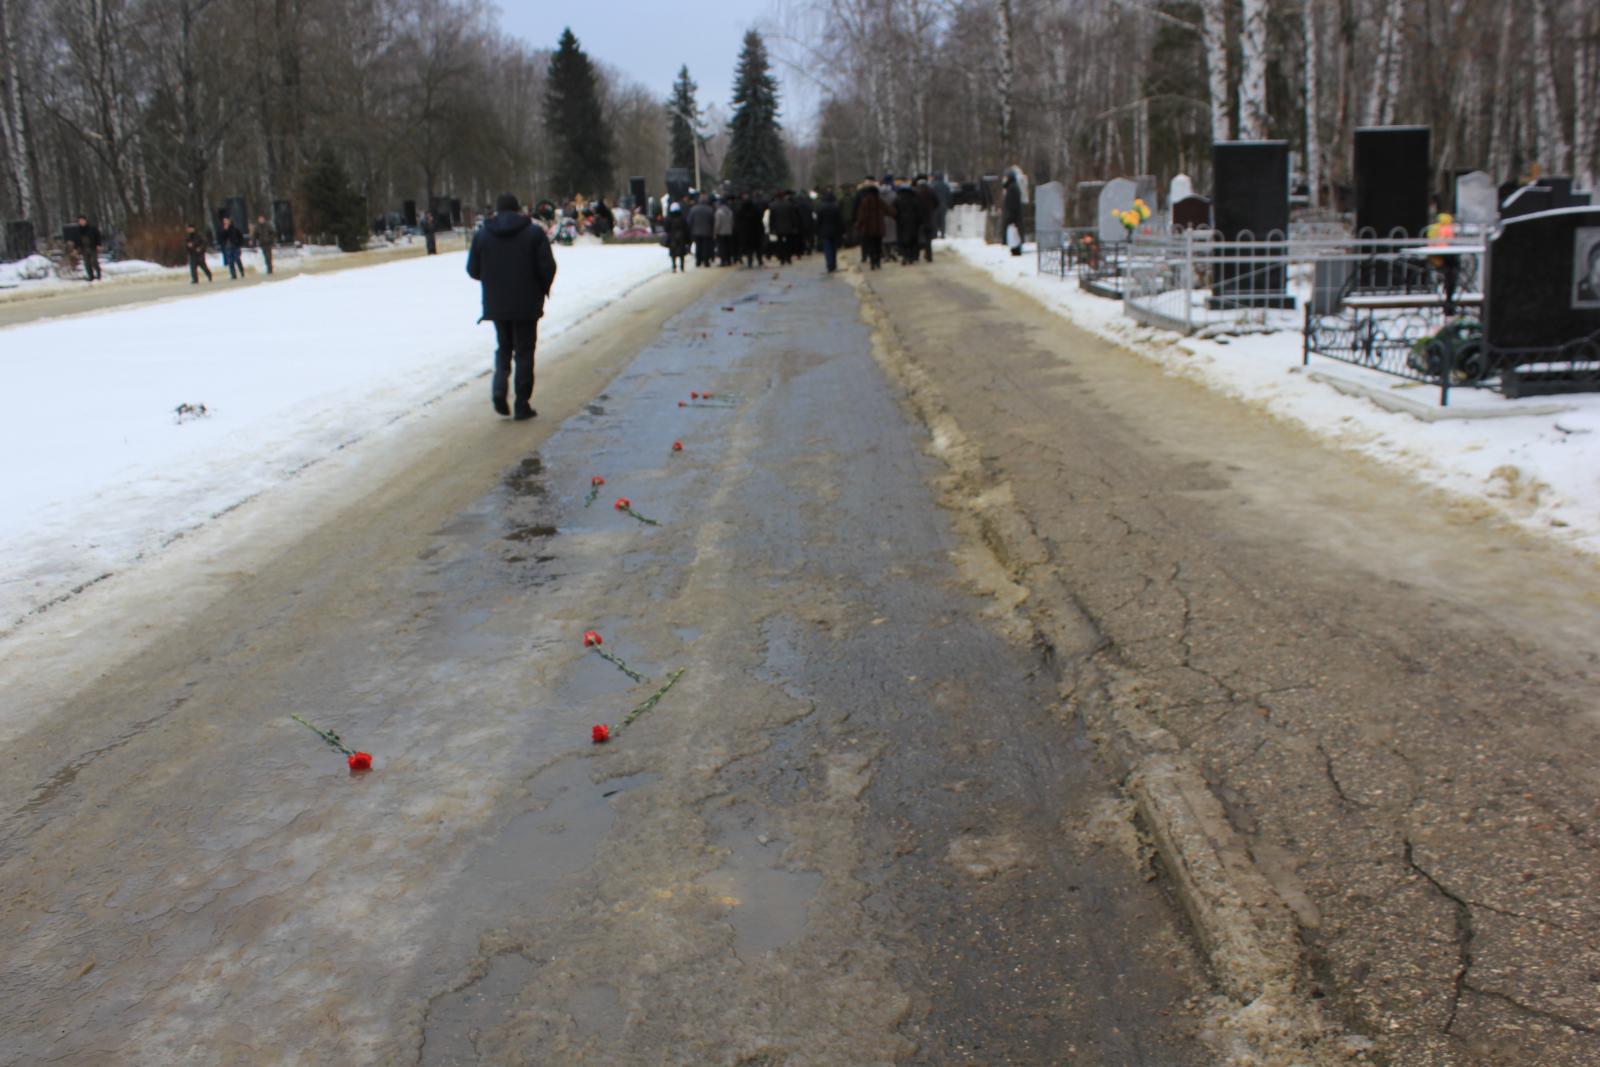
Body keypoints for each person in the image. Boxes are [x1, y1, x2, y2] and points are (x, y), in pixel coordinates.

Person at [466, 193, 558, 421]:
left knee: (504, 347)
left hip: (497, 304)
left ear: (497, 210)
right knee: (525, 351)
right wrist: (540, 289)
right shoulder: (534, 233)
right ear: (517, 209)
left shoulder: (482, 235)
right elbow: (548, 267)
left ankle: (499, 389)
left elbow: (473, 269)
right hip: (527, 302)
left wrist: (493, 282)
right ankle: (522, 403)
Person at [854, 182, 891, 270]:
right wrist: (896, 215)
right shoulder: (880, 201)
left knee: (870, 246)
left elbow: (861, 216)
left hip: (868, 228)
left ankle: (872, 262)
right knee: (878, 245)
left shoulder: (864, 202)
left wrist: (858, 225)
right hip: (879, 227)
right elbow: (888, 210)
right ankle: (878, 262)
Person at [815, 188, 844, 274]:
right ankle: (834, 264)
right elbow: (839, 220)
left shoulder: (821, 208)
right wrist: (842, 231)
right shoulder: (836, 207)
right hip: (835, 231)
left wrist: (817, 231)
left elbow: (818, 221)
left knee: (827, 248)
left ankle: (829, 265)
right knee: (834, 249)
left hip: (824, 231)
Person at [894, 181, 924, 265]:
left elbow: (894, 211)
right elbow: (919, 211)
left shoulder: (898, 199)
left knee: (903, 240)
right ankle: (911, 257)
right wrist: (920, 221)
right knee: (912, 240)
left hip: (901, 222)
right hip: (913, 222)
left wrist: (896, 218)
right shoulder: (914, 199)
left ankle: (904, 256)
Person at [767, 190, 798, 265]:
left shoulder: (773, 205)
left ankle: (782, 258)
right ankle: (788, 258)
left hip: (778, 228)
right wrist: (794, 226)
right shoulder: (789, 204)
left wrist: (771, 229)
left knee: (780, 244)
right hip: (788, 227)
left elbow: (772, 219)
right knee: (788, 243)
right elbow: (793, 217)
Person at [735, 194, 766, 268]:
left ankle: (750, 261)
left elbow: (738, 223)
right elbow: (760, 221)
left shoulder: (741, 212)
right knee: (758, 248)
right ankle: (760, 260)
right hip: (756, 233)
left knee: (749, 249)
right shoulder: (756, 211)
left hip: (746, 234)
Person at [687, 195, 716, 267]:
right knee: (706, 247)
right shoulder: (710, 209)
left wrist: (690, 230)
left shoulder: (693, 209)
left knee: (698, 246)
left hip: (696, 231)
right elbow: (713, 221)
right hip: (707, 231)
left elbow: (689, 221)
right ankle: (706, 261)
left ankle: (698, 261)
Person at [1002, 171, 1024, 256]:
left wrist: (1011, 218)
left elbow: (1012, 204)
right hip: (1013, 216)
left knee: (1014, 235)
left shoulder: (1012, 188)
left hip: (1013, 217)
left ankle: (1016, 250)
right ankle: (1015, 249)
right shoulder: (1012, 187)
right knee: (1014, 235)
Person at [663, 202, 690, 272]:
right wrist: (688, 239)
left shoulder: (669, 218)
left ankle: (674, 266)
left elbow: (666, 228)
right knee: (681, 253)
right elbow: (686, 228)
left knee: (673, 252)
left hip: (672, 237)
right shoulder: (682, 218)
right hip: (681, 236)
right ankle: (682, 267)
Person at [75, 215, 102, 281]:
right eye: (80, 221)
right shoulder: (78, 230)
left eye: (82, 220)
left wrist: (98, 244)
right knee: (87, 263)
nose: (81, 222)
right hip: (84, 248)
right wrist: (77, 248)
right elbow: (77, 240)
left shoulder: (92, 228)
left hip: (92, 247)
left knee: (94, 262)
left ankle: (99, 275)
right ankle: (91, 276)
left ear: (85, 220)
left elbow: (98, 236)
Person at [714, 197, 735, 266]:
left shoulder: (718, 212)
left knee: (722, 247)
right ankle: (729, 260)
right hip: (729, 232)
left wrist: (715, 232)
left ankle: (723, 261)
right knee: (728, 247)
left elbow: (718, 223)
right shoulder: (730, 211)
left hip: (721, 232)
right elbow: (732, 222)